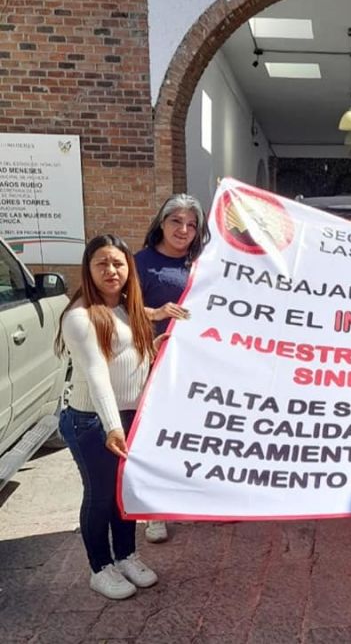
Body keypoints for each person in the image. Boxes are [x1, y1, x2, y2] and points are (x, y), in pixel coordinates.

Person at [56, 234, 160, 600]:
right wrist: (113, 426)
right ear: (88, 269)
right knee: (100, 496)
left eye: (118, 263)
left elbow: (136, 356)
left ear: (129, 268)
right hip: (92, 422)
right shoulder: (79, 316)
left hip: (128, 419)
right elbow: (97, 373)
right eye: (102, 263)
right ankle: (100, 567)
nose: (111, 270)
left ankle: (126, 555)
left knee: (123, 494)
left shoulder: (128, 308)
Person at [134, 193, 209, 543]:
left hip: (199, 366)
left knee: (192, 436)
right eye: (176, 222)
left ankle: (191, 500)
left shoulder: (205, 263)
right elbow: (119, 310)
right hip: (153, 364)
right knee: (156, 438)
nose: (183, 230)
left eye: (191, 224)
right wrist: (156, 315)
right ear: (161, 223)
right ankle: (154, 513)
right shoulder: (139, 263)